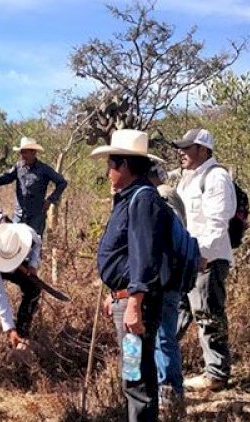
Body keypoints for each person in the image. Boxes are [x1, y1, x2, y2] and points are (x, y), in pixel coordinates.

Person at [92, 129, 171, 422]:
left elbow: (144, 255)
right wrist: (117, 295)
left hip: (136, 303)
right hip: (126, 298)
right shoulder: (130, 198)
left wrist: (134, 301)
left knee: (136, 378)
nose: (108, 171)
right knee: (133, 372)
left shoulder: (143, 199)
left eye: (110, 164)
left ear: (124, 165)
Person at [174, 128, 236, 392]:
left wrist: (203, 256)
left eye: (187, 148)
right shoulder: (187, 178)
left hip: (206, 260)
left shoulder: (216, 177)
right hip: (187, 259)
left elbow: (217, 222)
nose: (181, 152)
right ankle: (159, 365)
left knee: (208, 316)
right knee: (178, 312)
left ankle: (216, 375)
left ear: (203, 149)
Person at [147, 162, 186, 411]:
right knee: (159, 337)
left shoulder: (162, 195)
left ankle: (170, 393)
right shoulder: (162, 194)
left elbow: (163, 240)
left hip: (163, 280)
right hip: (163, 278)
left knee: (163, 337)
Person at [0, 136, 67, 237]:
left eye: (25, 152)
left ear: (33, 152)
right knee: (16, 243)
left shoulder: (44, 169)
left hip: (36, 217)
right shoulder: (18, 167)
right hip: (19, 216)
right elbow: (5, 178)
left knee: (33, 243)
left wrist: (50, 200)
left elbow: (62, 182)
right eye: (21, 152)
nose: (22, 155)